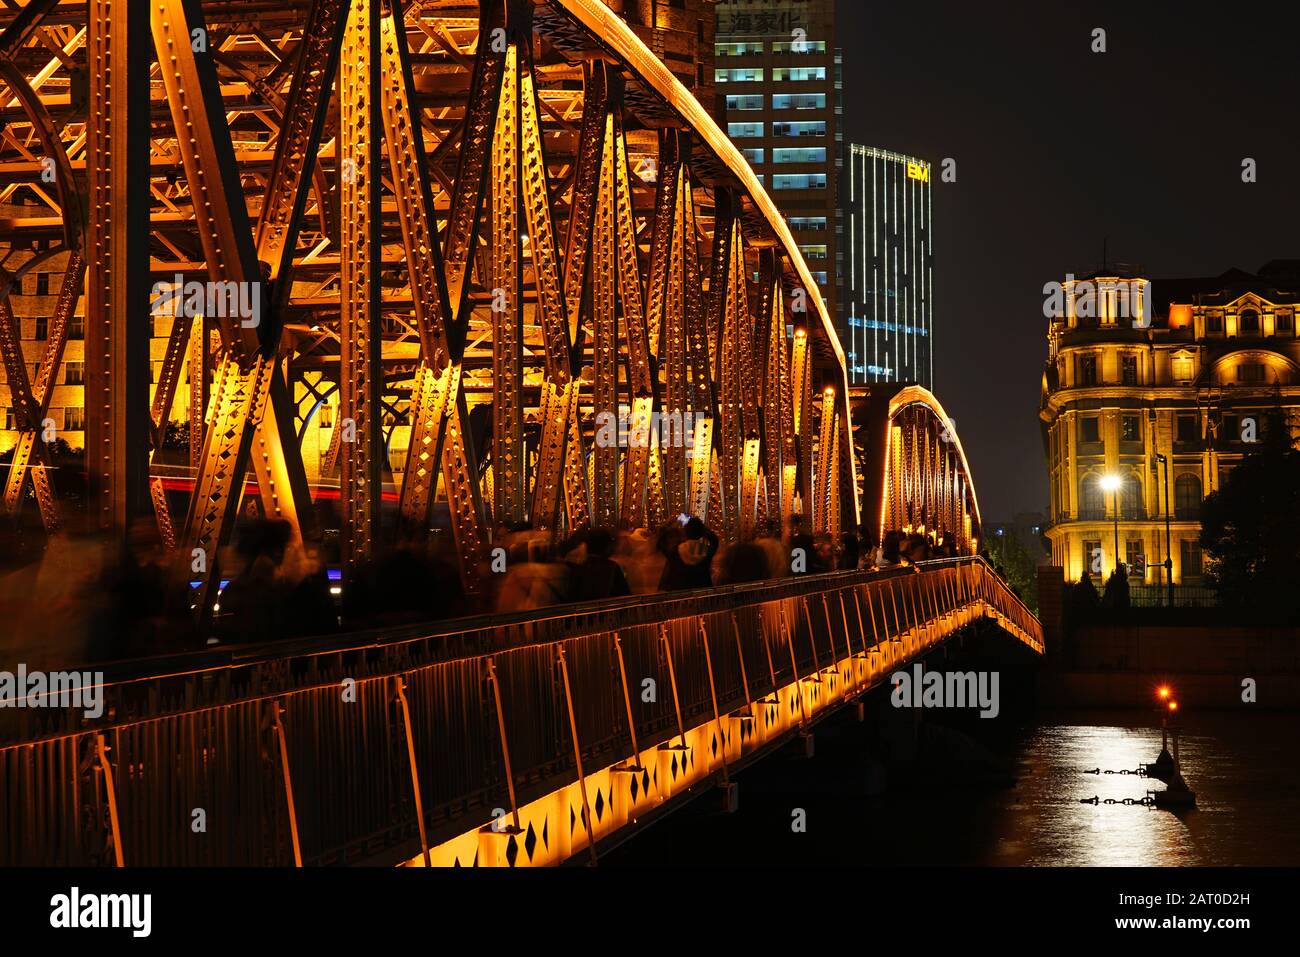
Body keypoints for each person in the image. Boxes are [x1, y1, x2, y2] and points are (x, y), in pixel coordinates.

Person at [569, 527, 631, 602]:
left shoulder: (579, 567)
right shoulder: (612, 568)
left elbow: (573, 595)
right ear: (605, 546)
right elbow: (624, 594)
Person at [658, 516, 719, 590]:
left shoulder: (676, 551)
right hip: (701, 593)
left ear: (685, 532)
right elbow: (715, 541)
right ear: (701, 533)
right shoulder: (706, 552)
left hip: (680, 593)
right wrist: (704, 529)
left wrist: (668, 525)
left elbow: (661, 543)